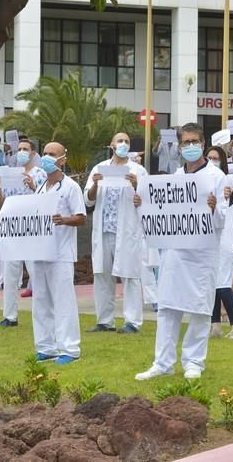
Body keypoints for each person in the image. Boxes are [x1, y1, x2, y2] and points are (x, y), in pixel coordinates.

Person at [135, 122, 224, 381]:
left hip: (203, 252)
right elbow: (160, 214)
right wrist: (143, 204)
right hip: (174, 252)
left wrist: (213, 208)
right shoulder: (175, 177)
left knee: (199, 307)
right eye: (185, 143)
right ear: (179, 146)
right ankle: (162, 362)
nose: (190, 147)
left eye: (194, 142)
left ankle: (194, 361)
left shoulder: (216, 177)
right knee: (168, 307)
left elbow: (225, 218)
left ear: (204, 144)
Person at [84, 133, 147, 334]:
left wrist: (137, 185)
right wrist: (95, 184)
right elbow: (88, 201)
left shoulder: (138, 170)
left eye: (127, 141)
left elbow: (148, 199)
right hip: (103, 230)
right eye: (119, 141)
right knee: (102, 274)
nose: (123, 144)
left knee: (130, 275)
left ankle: (133, 322)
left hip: (127, 230)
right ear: (111, 145)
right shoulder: (99, 168)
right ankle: (104, 321)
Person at [32, 142, 87, 364]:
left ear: (62, 159)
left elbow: (82, 217)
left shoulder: (70, 187)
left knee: (63, 302)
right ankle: (46, 346)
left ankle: (69, 349)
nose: (46, 157)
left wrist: (64, 220)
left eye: (51, 154)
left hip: (61, 252)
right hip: (40, 251)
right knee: (41, 301)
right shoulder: (40, 186)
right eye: (44, 153)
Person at [0, 139, 46, 327]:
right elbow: (1, 204)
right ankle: (10, 316)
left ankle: (42, 314)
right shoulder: (9, 173)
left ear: (33, 153)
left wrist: (33, 186)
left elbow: (45, 201)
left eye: (26, 149)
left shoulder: (40, 174)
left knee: (36, 274)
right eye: (19, 149)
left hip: (31, 231)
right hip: (12, 231)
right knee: (10, 275)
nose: (22, 152)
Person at [205, 145, 233, 340]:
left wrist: (228, 198)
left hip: (226, 236)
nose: (212, 161)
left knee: (223, 283)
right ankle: (215, 325)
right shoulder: (202, 179)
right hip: (208, 237)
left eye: (216, 158)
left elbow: (230, 210)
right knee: (213, 283)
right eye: (209, 157)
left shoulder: (227, 181)